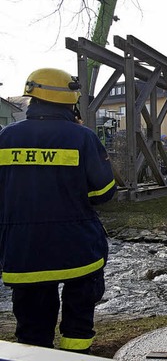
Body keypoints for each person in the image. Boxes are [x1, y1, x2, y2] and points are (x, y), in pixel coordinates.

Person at [0, 68, 116, 353]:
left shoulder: (5, 138)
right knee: (77, 326)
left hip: (23, 252)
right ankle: (76, 356)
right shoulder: (83, 138)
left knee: (32, 334)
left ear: (32, 97)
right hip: (77, 248)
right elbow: (103, 193)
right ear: (70, 100)